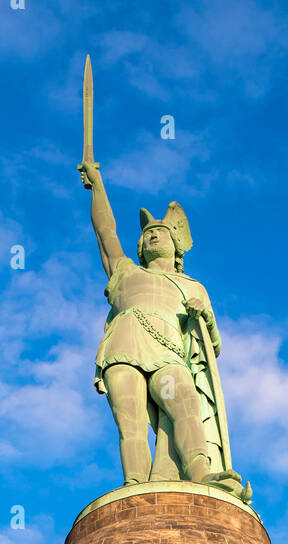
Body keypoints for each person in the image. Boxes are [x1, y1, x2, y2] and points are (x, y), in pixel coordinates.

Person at [78, 158, 250, 501]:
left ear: (177, 245)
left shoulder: (192, 286)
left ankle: (201, 471)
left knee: (184, 402)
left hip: (169, 352)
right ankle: (136, 487)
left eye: (160, 232)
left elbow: (211, 346)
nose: (152, 234)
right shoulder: (125, 272)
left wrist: (204, 317)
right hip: (124, 345)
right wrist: (97, 186)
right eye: (147, 234)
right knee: (131, 422)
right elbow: (106, 231)